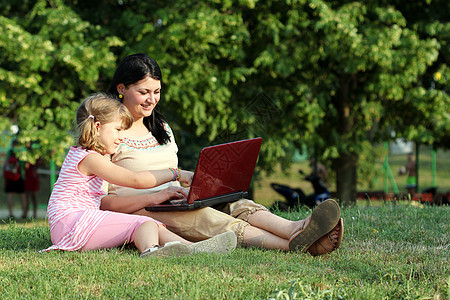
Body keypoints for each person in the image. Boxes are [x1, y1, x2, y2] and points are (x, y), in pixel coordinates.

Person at [101, 53, 344, 256]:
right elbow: (102, 202)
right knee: (208, 218)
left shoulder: (160, 127)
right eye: (144, 92)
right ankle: (299, 245)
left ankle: (295, 227)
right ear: (121, 88)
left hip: (174, 199)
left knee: (235, 201)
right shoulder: (105, 134)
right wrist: (153, 198)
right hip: (140, 210)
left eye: (157, 91)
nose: (152, 99)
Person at [41, 93, 237, 258]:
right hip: (71, 224)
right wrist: (176, 173)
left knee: (155, 225)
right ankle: (151, 251)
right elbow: (136, 180)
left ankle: (195, 249)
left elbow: (102, 200)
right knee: (143, 223)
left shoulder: (88, 155)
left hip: (73, 222)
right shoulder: (91, 158)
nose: (121, 137)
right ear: (98, 127)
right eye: (118, 130)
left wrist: (158, 195)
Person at [3, 147, 26, 219]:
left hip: (11, 178)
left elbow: (5, 166)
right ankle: (24, 214)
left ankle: (11, 214)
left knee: (11, 196)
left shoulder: (10, 152)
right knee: (22, 196)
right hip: (18, 177)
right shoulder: (22, 151)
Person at [24, 155, 41, 219]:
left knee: (33, 196)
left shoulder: (36, 154)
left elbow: (39, 163)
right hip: (28, 177)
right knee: (27, 196)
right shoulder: (25, 155)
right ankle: (25, 213)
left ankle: (34, 213)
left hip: (33, 177)